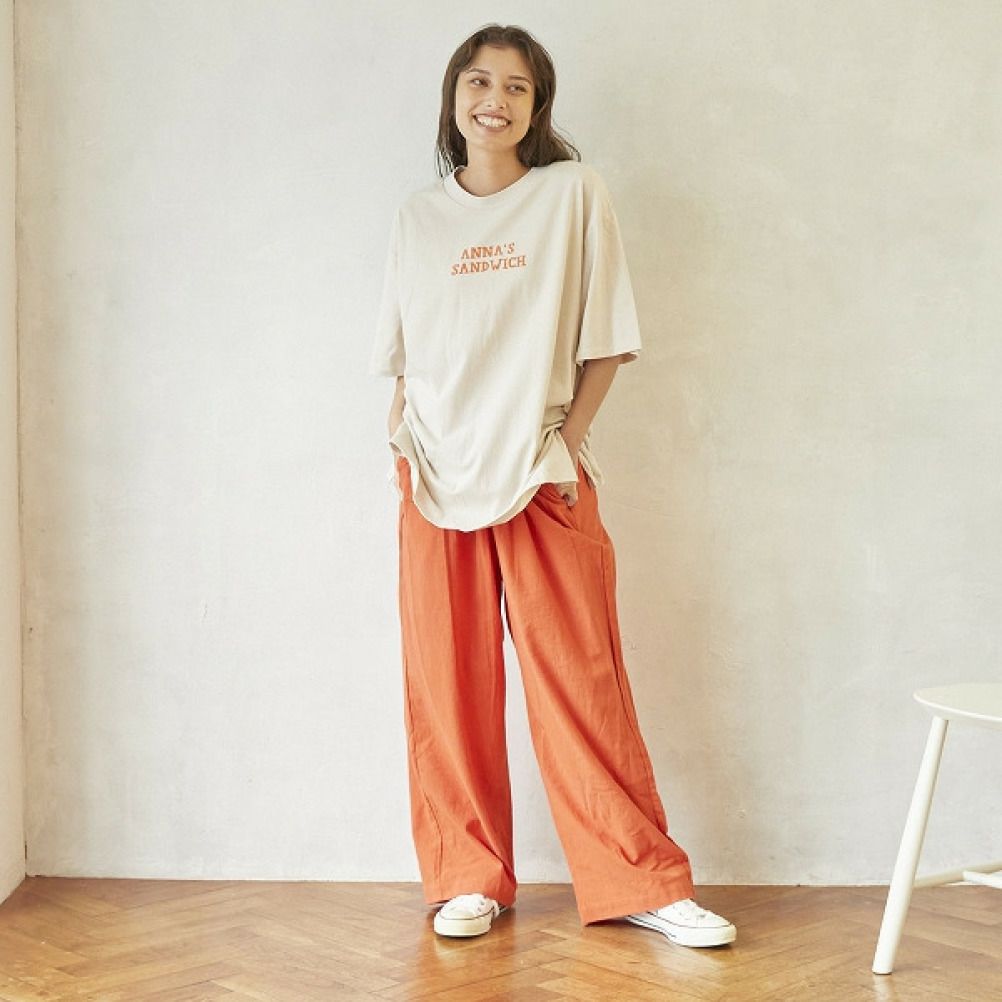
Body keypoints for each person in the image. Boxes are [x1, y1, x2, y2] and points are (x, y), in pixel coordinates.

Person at [368, 23, 736, 949]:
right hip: (433, 475)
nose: (494, 99)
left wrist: (564, 444)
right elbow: (407, 356)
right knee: (445, 684)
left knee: (581, 680)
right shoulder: (417, 218)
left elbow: (606, 341)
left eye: (517, 87)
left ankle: (640, 879)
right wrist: (404, 446)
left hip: (539, 471)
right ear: (453, 96)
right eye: (478, 81)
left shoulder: (572, 194)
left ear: (537, 108)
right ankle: (465, 877)